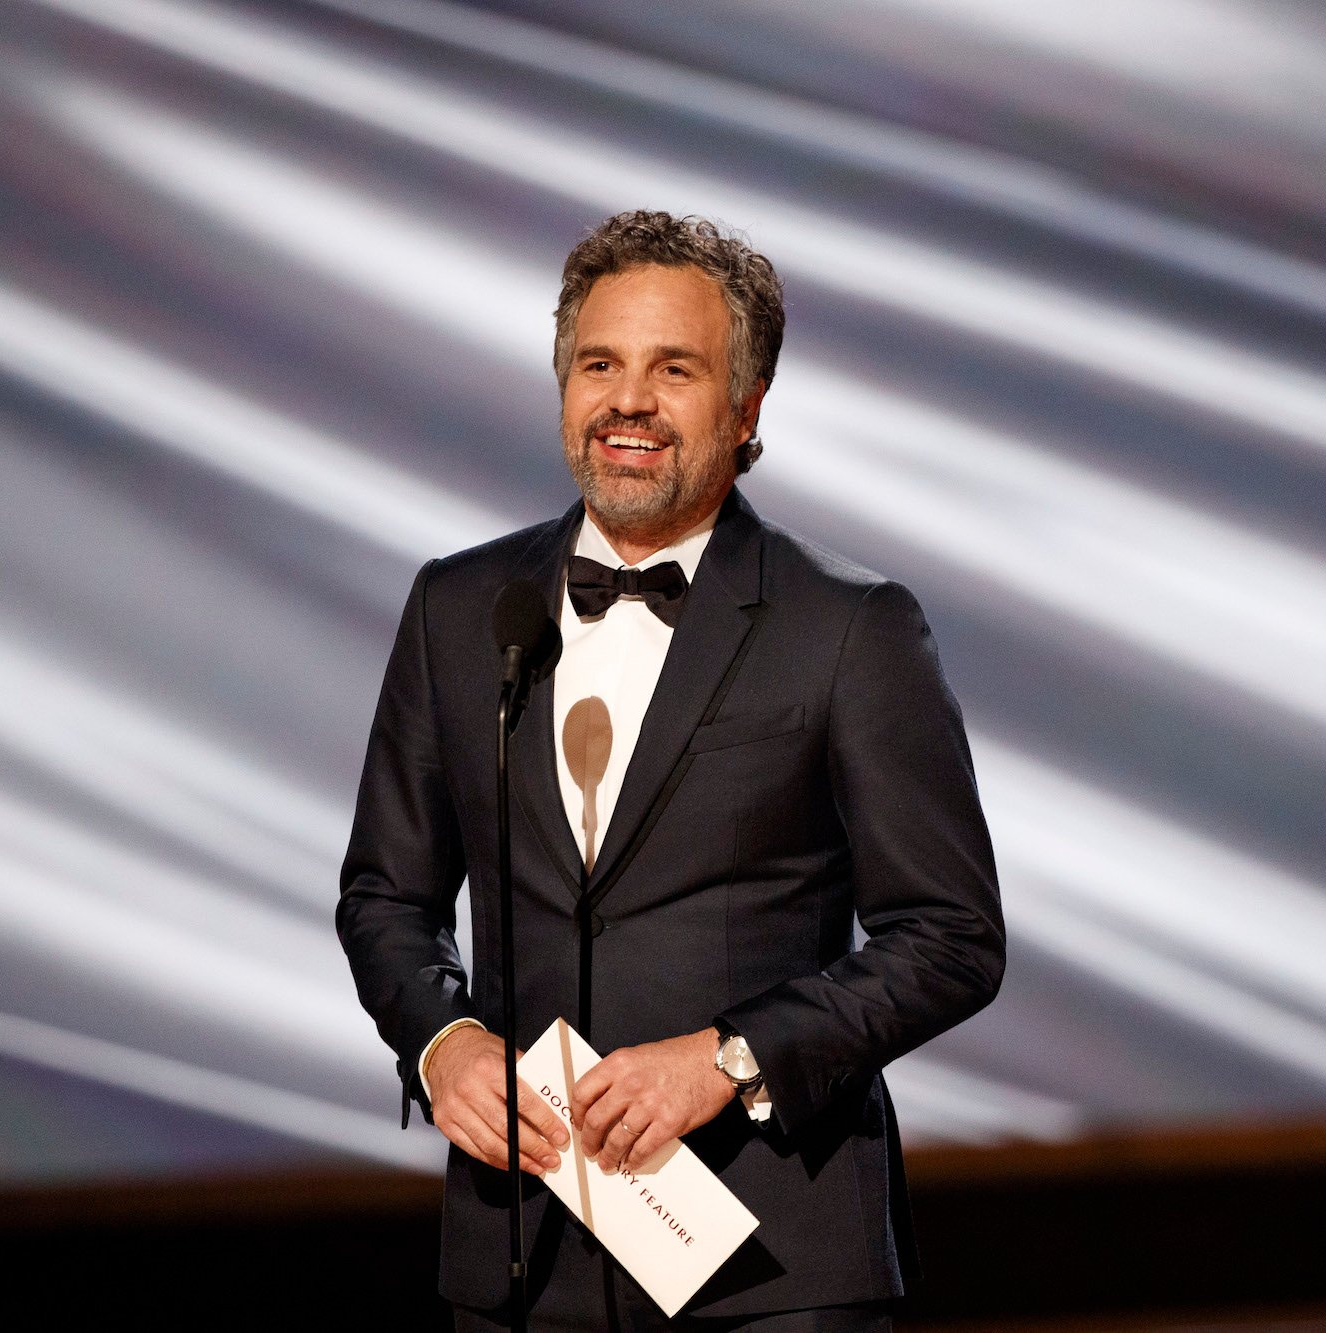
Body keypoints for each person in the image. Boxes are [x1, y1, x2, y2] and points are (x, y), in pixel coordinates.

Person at [336, 210, 1004, 1331]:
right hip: (520, 1262)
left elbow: (950, 935)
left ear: (745, 409)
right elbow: (385, 898)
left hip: (773, 1266)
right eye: (599, 364)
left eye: (673, 369)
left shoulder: (849, 626)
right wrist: (441, 1043)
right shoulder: (458, 608)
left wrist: (728, 1058)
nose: (627, 401)